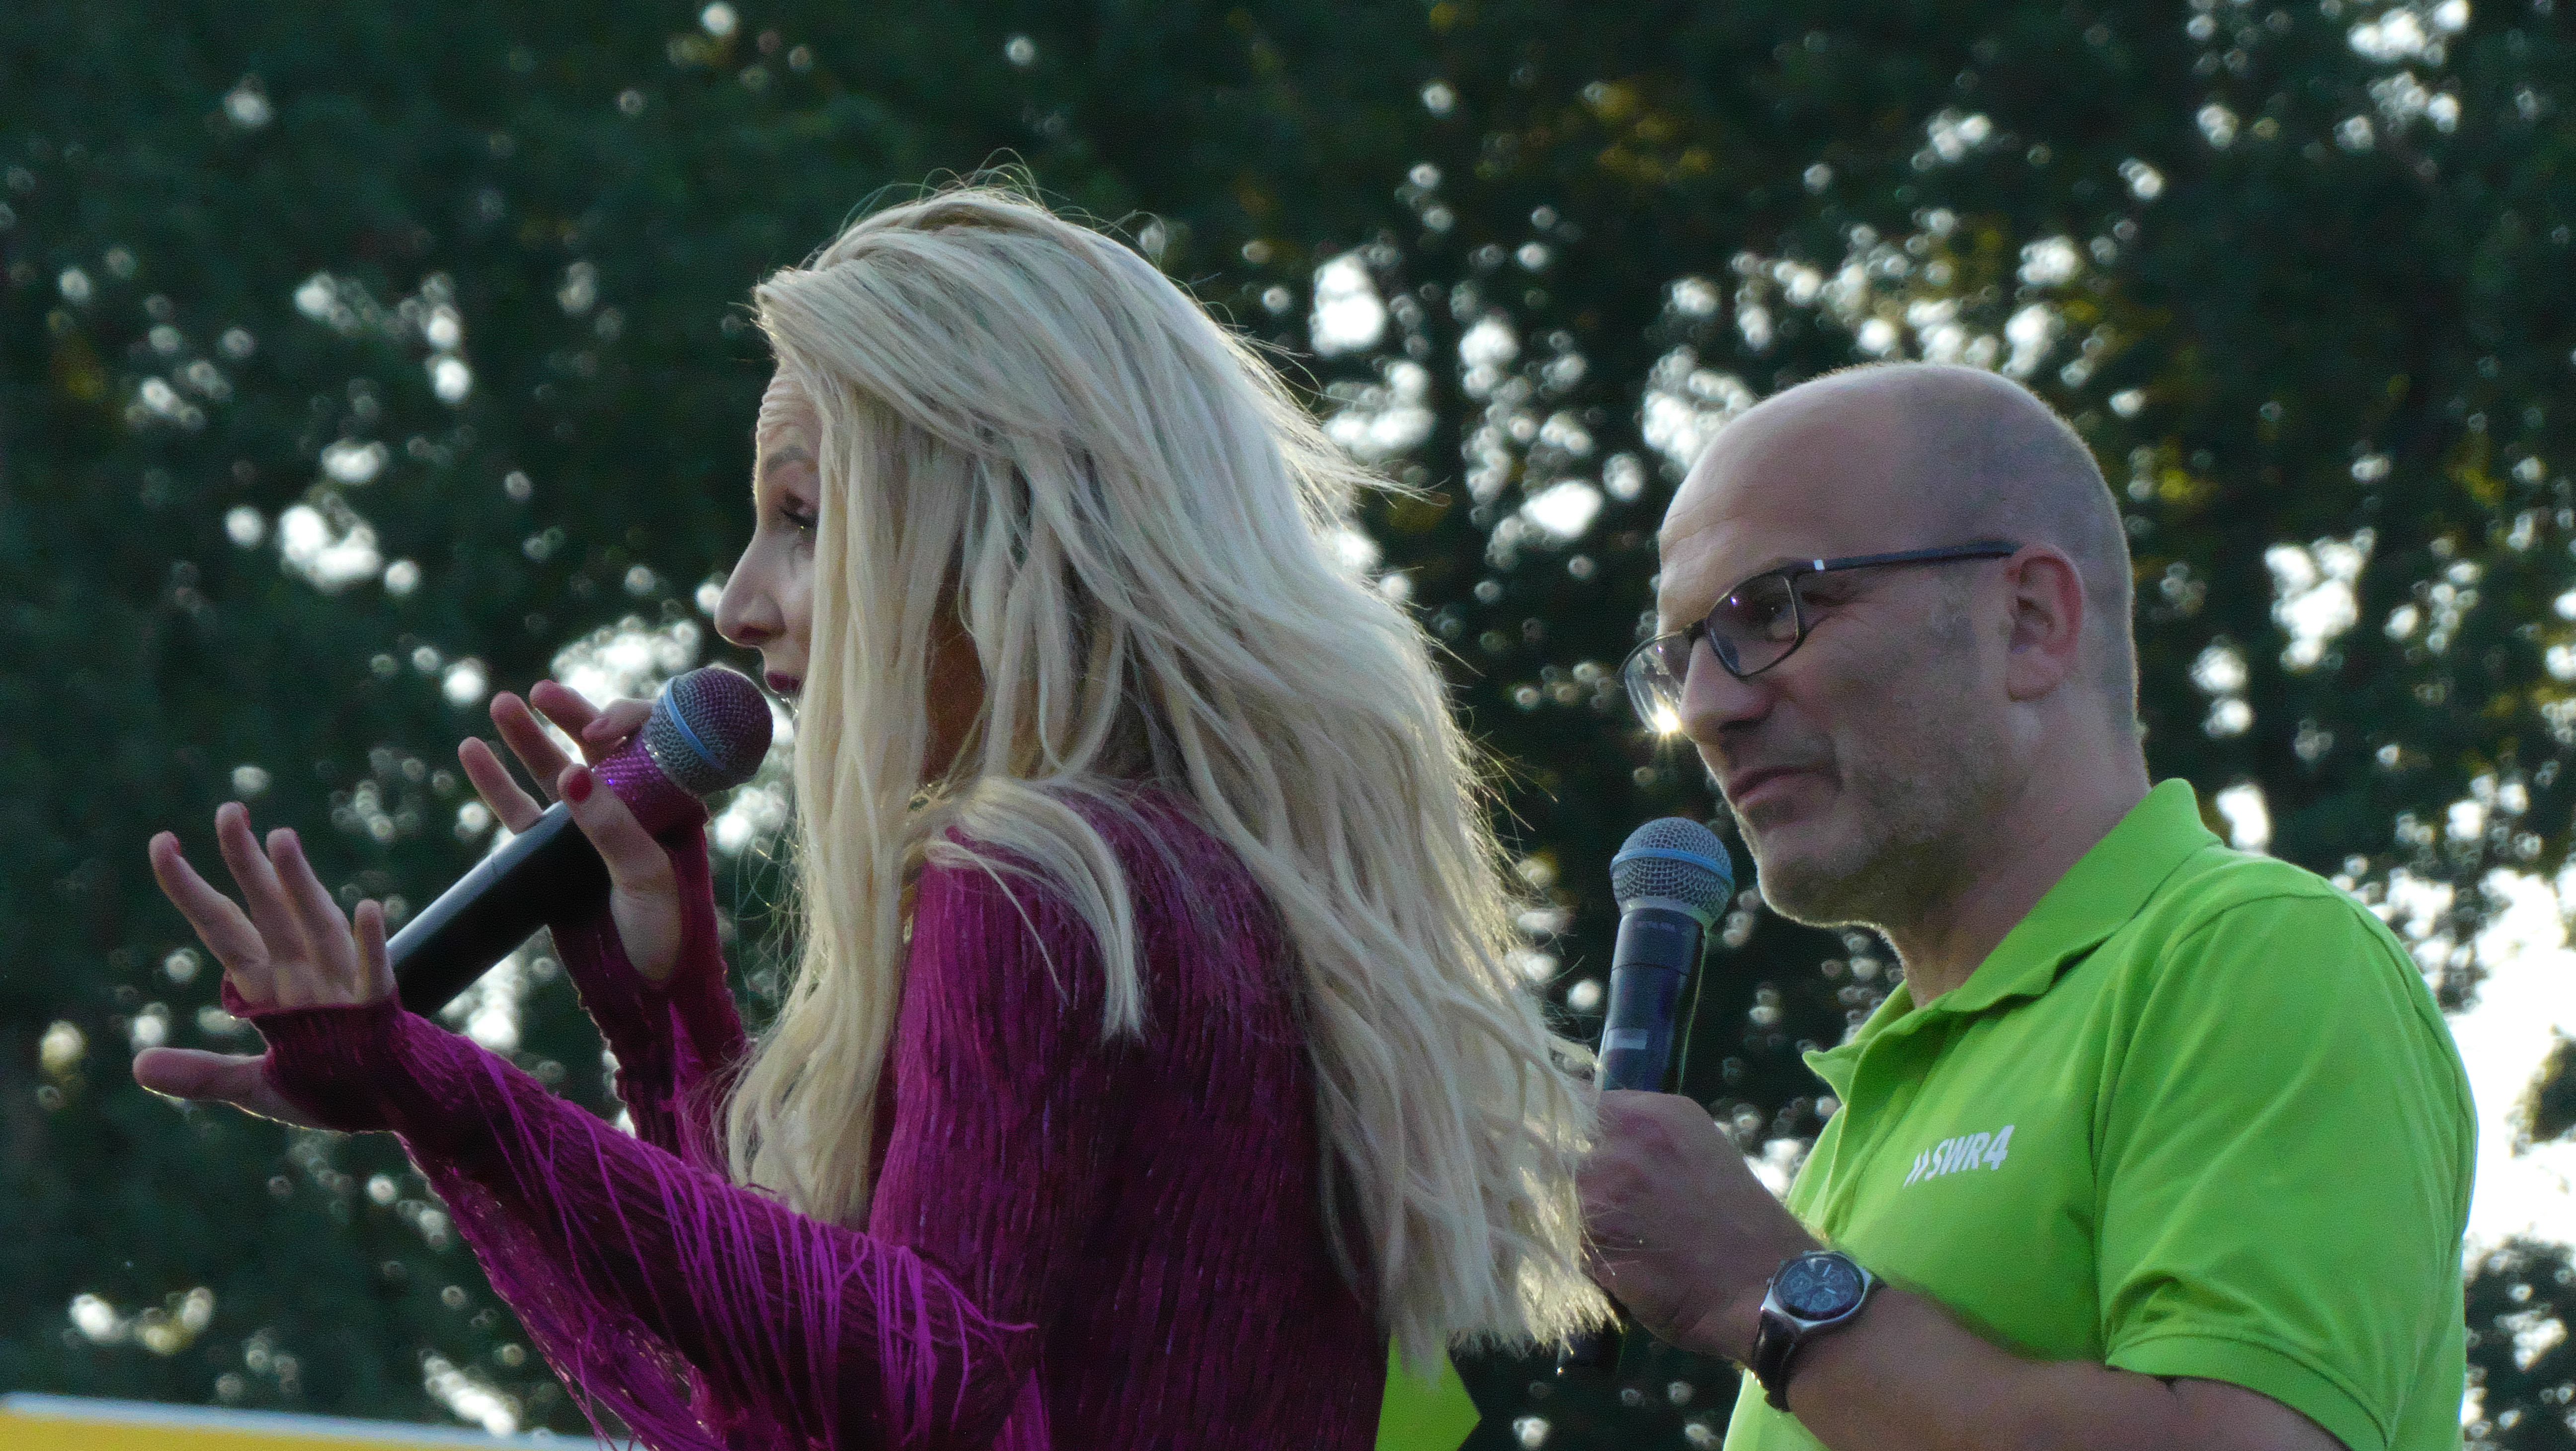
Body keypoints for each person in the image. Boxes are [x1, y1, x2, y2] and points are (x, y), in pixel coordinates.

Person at [132, 184, 1606, 1450]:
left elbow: (919, 1373)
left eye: (806, 519)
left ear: (991, 524)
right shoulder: (1252, 888)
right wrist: (668, 1021)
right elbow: (812, 1381)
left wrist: (430, 1080)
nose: (738, 602)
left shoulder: (1042, 872)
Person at [1581, 361, 2474, 1451]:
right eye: (1680, 660)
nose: (1708, 707)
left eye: (1774, 609)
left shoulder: (2257, 955)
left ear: (2031, 620)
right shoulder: (1870, 1112)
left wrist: (1765, 1289)